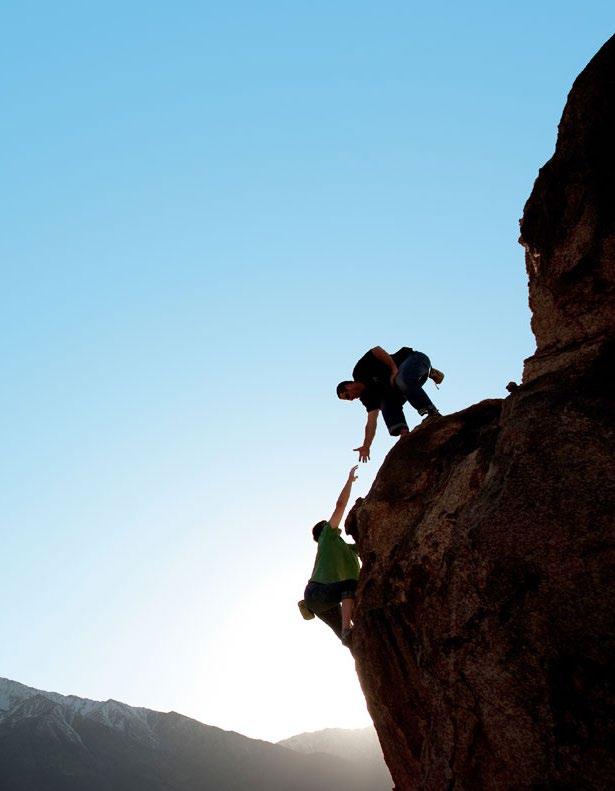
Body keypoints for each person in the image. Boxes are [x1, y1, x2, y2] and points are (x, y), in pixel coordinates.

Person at [337, 346, 443, 462]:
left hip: (415, 359)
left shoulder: (360, 371)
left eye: (347, 396)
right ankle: (403, 432)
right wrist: (366, 446)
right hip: (411, 381)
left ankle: (431, 411)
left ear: (348, 386)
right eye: (348, 400)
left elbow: (377, 350)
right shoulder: (367, 398)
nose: (351, 399)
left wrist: (393, 369)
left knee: (400, 379)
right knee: (385, 402)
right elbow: (371, 421)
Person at [299, 465, 361, 645]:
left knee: (350, 641)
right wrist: (349, 481)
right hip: (318, 593)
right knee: (350, 585)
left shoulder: (348, 549)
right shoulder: (327, 537)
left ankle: (349, 635)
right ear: (324, 530)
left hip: (324, 602)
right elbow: (340, 505)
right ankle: (346, 628)